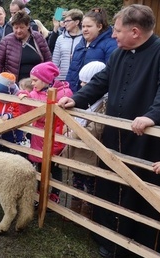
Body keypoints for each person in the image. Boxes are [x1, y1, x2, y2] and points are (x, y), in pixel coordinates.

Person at [58, 5, 160, 256]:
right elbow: (101, 82)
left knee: (142, 192)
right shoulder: (119, 54)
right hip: (115, 137)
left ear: (135, 31)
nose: (113, 35)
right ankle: (110, 239)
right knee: (111, 186)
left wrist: (151, 116)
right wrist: (76, 99)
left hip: (147, 140)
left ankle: (141, 246)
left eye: (118, 31)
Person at [17, 62, 73, 203]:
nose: (32, 83)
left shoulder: (63, 94)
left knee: (54, 166)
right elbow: (26, 113)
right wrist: (23, 98)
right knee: (40, 165)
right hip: (38, 135)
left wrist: (32, 102)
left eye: (35, 80)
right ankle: (40, 192)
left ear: (46, 79)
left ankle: (54, 193)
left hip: (55, 136)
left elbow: (47, 115)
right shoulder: (34, 93)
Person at [62, 61, 106, 218]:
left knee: (90, 183)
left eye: (86, 83)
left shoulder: (104, 105)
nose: (82, 84)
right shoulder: (83, 101)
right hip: (77, 148)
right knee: (77, 180)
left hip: (89, 151)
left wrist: (73, 134)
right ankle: (74, 208)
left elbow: (97, 128)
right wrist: (66, 128)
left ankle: (87, 212)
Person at [65, 8, 117, 93]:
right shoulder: (79, 45)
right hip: (75, 94)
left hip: (94, 94)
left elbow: (110, 75)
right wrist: (67, 90)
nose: (84, 29)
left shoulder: (110, 45)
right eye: (83, 26)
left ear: (99, 26)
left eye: (89, 26)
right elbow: (71, 70)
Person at [0, 10, 51, 82]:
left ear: (28, 26)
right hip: (13, 85)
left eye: (21, 27)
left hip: (37, 84)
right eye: (16, 28)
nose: (18, 31)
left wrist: (48, 80)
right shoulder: (6, 41)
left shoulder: (38, 38)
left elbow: (48, 60)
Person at [51, 9, 83, 81]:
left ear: (77, 22)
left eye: (68, 21)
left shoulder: (84, 38)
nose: (65, 23)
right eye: (64, 21)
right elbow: (55, 60)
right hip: (61, 78)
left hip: (78, 78)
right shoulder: (60, 38)